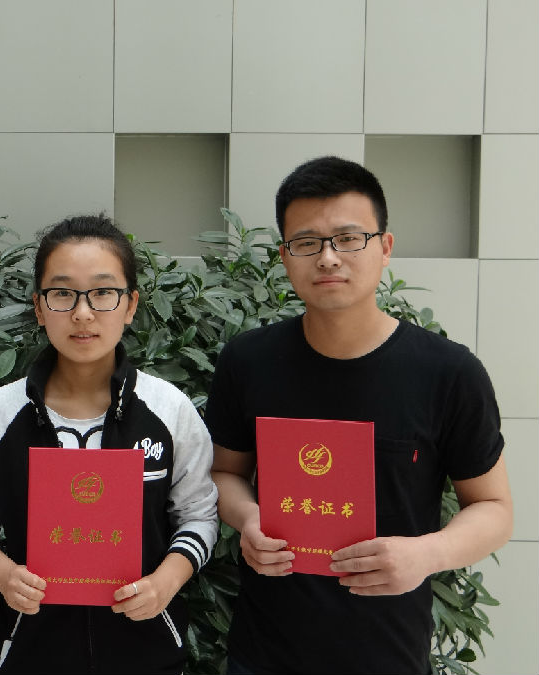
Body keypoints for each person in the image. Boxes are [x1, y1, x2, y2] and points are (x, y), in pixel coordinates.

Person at [206, 155, 513, 675]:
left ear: (384, 247)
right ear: (285, 256)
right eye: (307, 242)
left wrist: (428, 554)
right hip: (264, 653)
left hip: (388, 653)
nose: (328, 258)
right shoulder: (248, 360)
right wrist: (248, 517)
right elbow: (224, 473)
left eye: (349, 238)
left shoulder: (448, 372)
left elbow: (494, 507)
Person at [0, 214, 219, 674]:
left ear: (131, 305)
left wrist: (165, 582)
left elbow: (199, 514)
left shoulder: (168, 409)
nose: (82, 313)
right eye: (62, 293)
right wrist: (3, 575)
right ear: (39, 308)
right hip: (31, 654)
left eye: (102, 292)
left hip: (146, 653)